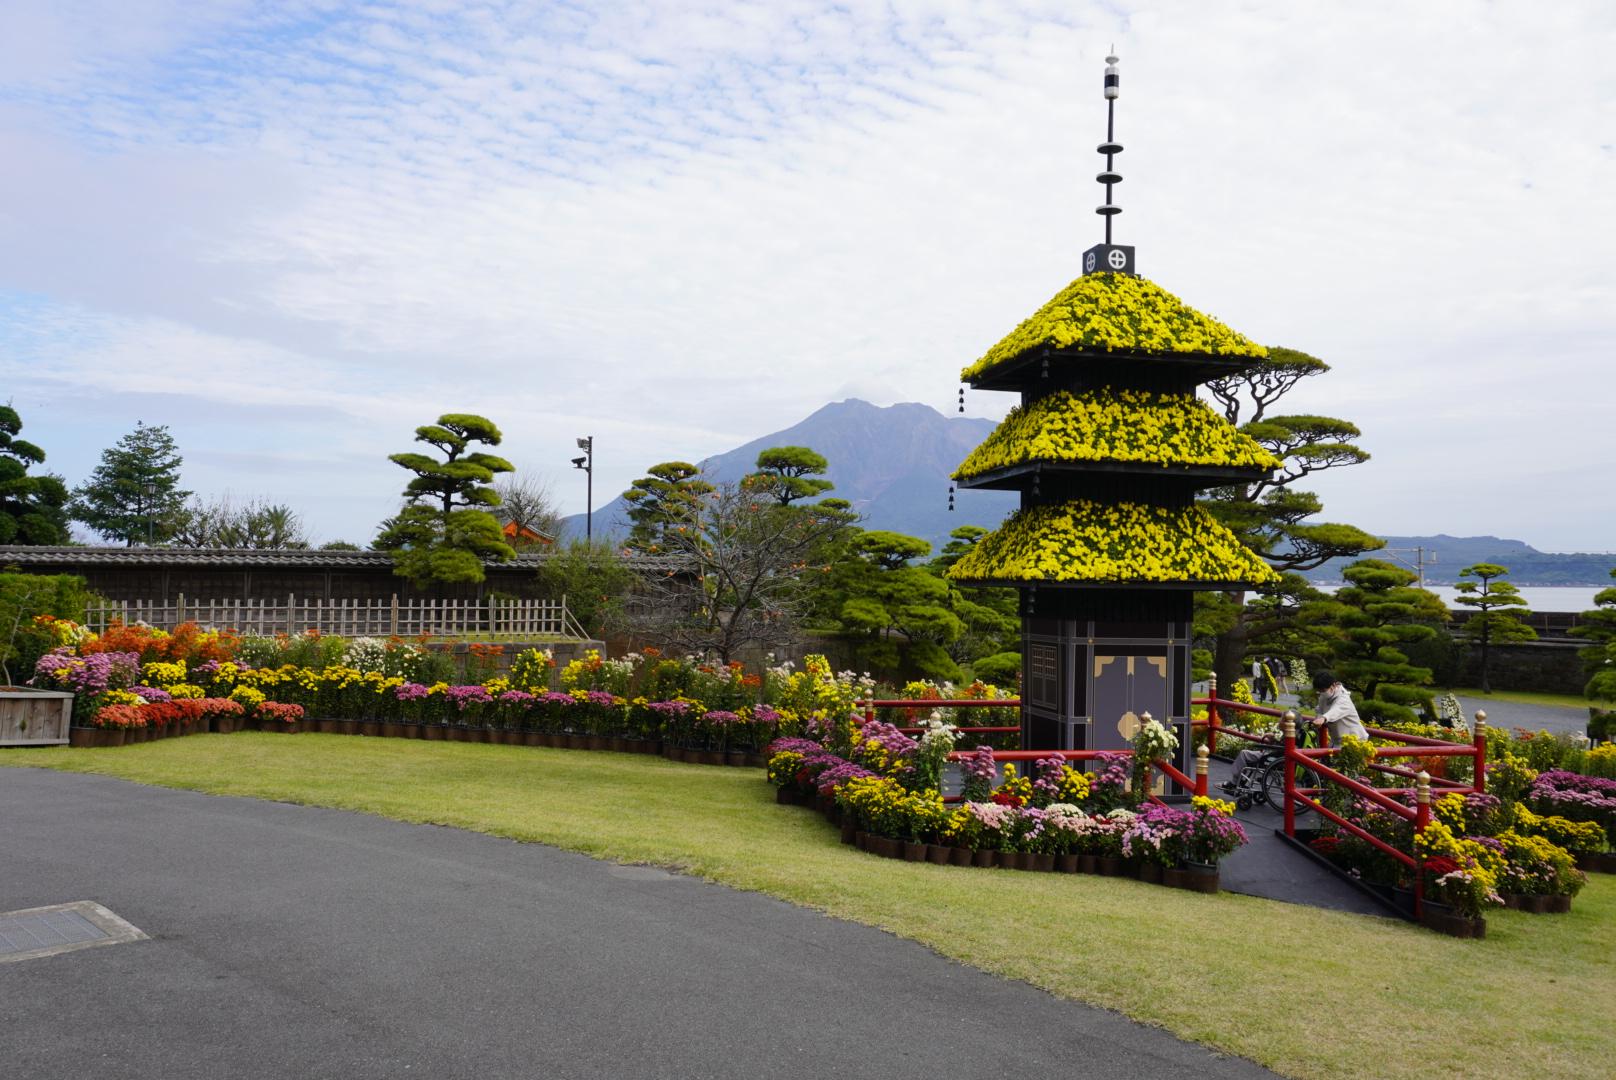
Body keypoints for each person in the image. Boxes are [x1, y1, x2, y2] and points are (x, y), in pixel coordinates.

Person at [1311, 670, 1368, 743]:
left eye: (1323, 690)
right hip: (1337, 740)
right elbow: (1319, 709)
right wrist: (1319, 717)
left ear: (1333, 685)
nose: (1321, 692)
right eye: (1319, 690)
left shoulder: (1344, 698)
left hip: (1356, 741)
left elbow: (1335, 711)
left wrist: (1323, 718)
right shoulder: (1323, 696)